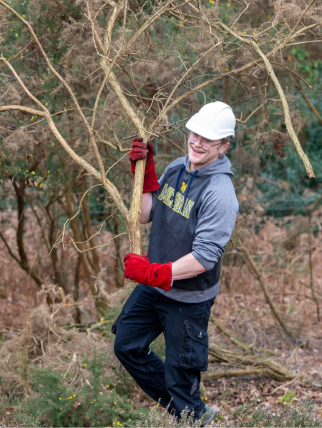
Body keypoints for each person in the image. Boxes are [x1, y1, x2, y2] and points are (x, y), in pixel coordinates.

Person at [112, 101, 239, 425]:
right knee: (127, 344)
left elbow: (204, 259)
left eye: (208, 140)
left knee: (180, 376)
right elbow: (144, 215)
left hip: (187, 300)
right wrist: (145, 176)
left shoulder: (220, 193)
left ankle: (190, 412)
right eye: (195, 134)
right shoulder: (176, 168)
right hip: (155, 288)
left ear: (223, 145)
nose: (197, 143)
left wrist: (154, 273)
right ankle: (189, 411)